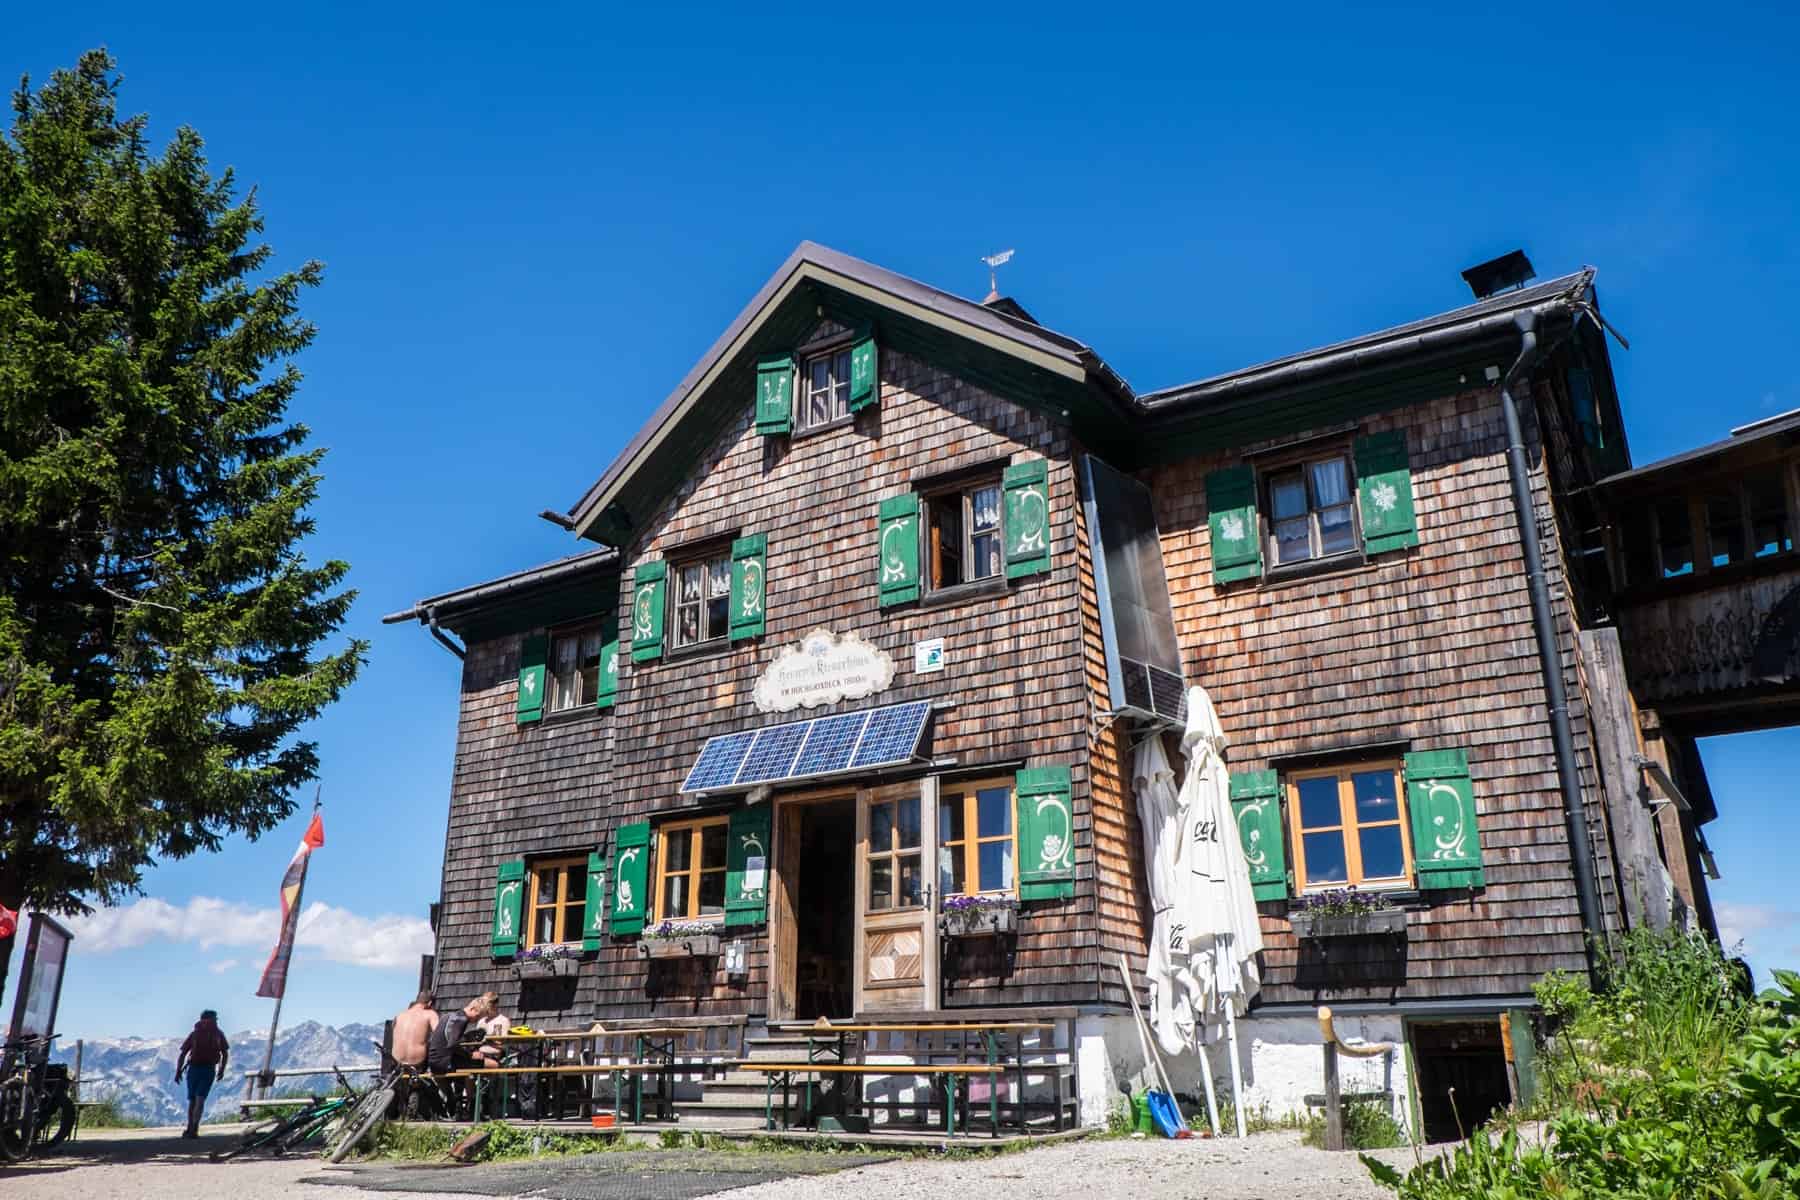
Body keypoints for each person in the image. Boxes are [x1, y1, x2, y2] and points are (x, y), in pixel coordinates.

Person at [173, 1009, 230, 1138]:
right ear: (209, 1020)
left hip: (193, 1069)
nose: (216, 1021)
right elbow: (225, 1053)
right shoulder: (218, 1034)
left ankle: (190, 1128)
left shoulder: (195, 1034)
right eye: (215, 1019)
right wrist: (221, 1069)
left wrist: (178, 1071)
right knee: (200, 1099)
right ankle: (194, 1128)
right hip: (208, 1069)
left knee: (193, 1100)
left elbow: (183, 1053)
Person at [426, 992, 500, 1074]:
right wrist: (471, 1055)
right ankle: (471, 1086)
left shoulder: (449, 1016)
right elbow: (452, 1045)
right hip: (445, 1063)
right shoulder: (462, 1020)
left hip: (433, 1062)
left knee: (468, 1064)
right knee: (494, 1064)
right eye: (478, 1016)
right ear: (472, 1009)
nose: (477, 1020)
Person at [391, 991, 440, 1069]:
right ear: (430, 1003)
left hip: (397, 1061)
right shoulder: (430, 1014)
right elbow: (439, 1035)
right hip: (417, 1062)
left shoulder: (400, 1015)